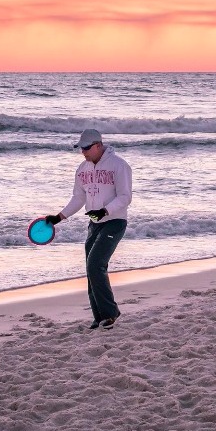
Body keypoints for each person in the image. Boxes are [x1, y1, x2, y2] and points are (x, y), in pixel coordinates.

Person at [43, 129, 132, 329]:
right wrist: (59, 217)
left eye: (86, 148)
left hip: (115, 222)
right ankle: (99, 316)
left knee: (95, 265)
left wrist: (105, 211)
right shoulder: (82, 169)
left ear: (98, 145)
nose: (83, 152)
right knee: (91, 269)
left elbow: (125, 197)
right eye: (80, 148)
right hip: (94, 223)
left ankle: (111, 313)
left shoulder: (119, 166)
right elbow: (78, 198)